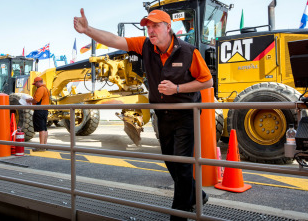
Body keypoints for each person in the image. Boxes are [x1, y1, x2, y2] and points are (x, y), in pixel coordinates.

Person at [74, 8, 213, 220]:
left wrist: (177, 89)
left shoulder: (188, 51)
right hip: (162, 115)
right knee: (172, 163)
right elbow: (114, 40)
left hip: (186, 114)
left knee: (183, 166)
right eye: (148, 27)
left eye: (155, 26)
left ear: (169, 27)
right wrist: (87, 30)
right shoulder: (146, 45)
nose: (150, 30)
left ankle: (179, 216)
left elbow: (207, 81)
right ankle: (197, 195)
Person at [26, 77, 50, 150]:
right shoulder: (46, 89)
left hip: (39, 110)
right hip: (45, 110)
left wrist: (29, 100)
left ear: (38, 82)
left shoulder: (40, 89)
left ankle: (41, 147)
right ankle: (44, 146)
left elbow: (36, 100)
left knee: (41, 129)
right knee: (44, 128)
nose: (35, 85)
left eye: (35, 83)